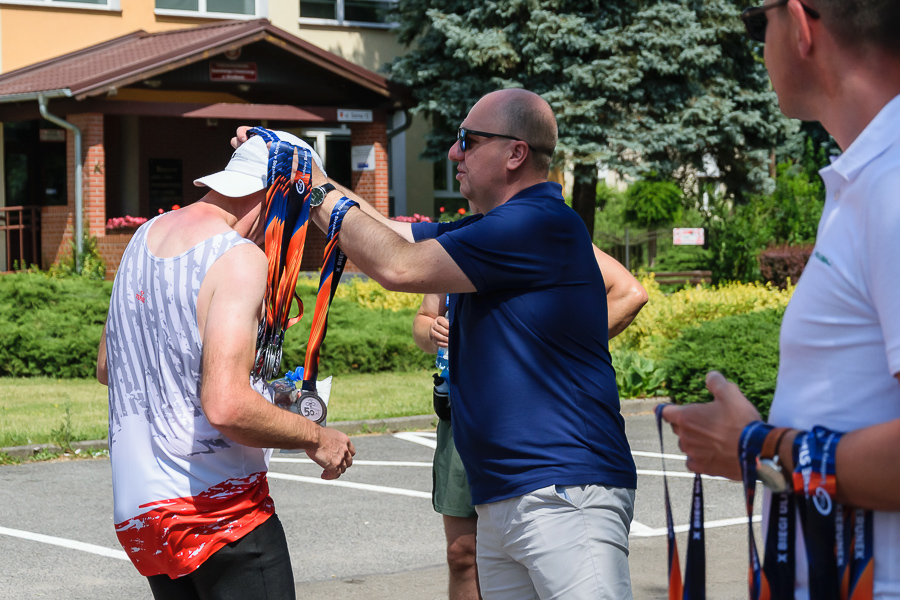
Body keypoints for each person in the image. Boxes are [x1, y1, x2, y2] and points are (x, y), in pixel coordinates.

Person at [234, 86, 644, 599]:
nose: (454, 152)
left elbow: (398, 266)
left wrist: (314, 187)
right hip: (508, 494)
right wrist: (307, 171)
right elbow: (387, 233)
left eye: (468, 140)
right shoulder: (491, 228)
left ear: (516, 153)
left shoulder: (536, 223)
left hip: (562, 492)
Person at [660, 0, 900, 597]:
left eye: (755, 20)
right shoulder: (867, 179)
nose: (756, 43)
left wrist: (754, 444)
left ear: (799, 24)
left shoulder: (892, 185)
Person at [96, 131, 356, 599]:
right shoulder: (238, 258)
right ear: (279, 195)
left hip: (143, 514)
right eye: (302, 212)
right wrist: (317, 437)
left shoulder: (142, 236)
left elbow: (109, 367)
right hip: (219, 514)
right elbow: (226, 406)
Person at [414, 251, 646, 600]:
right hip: (464, 418)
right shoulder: (454, 243)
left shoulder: (540, 228)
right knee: (462, 553)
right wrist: (431, 331)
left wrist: (554, 352)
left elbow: (631, 292)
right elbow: (422, 316)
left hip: (535, 434)